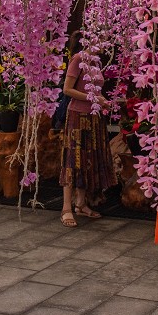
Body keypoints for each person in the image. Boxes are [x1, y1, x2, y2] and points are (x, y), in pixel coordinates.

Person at [59, 34, 117, 228]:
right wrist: (93, 98)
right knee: (73, 161)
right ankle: (66, 207)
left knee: (88, 160)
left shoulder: (95, 62)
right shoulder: (78, 59)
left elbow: (95, 92)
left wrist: (104, 103)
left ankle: (81, 204)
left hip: (94, 117)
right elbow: (67, 89)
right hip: (78, 116)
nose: (105, 45)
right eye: (102, 40)